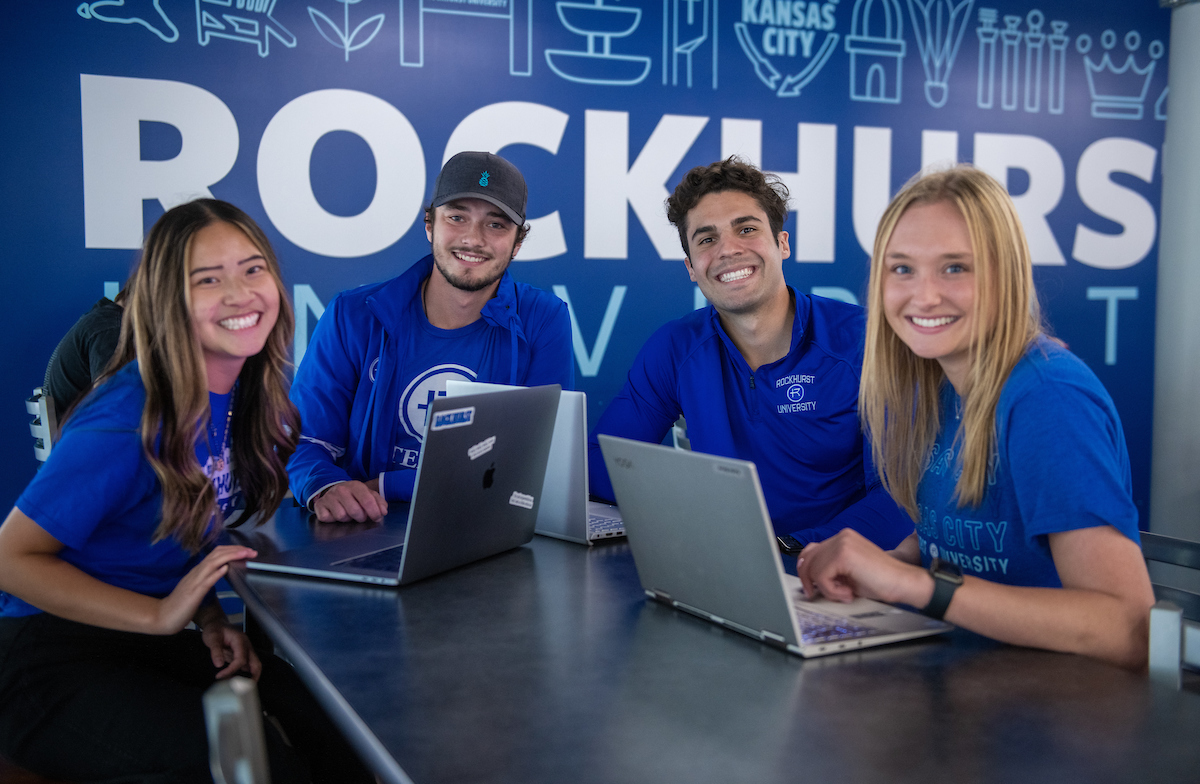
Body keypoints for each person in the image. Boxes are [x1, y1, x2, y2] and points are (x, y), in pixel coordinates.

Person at [0, 200, 373, 782]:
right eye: (207, 279)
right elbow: (10, 558)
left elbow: (181, 531)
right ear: (167, 301)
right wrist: (160, 616)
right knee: (263, 763)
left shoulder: (238, 394)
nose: (239, 293)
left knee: (329, 718)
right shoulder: (130, 414)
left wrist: (209, 620)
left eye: (253, 269)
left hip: (135, 640)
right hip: (46, 658)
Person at [796, 166, 1154, 670]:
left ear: (1003, 275)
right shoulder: (942, 385)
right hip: (969, 683)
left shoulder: (1048, 399)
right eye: (902, 269)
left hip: (1057, 714)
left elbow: (1128, 627)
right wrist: (880, 566)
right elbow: (953, 543)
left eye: (955, 268)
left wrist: (915, 585)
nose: (924, 296)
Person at [588, 157, 913, 548]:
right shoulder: (676, 347)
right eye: (707, 239)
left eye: (746, 229)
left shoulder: (864, 342)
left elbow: (902, 496)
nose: (728, 250)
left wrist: (790, 547)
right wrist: (696, 513)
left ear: (782, 243)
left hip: (843, 578)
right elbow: (600, 463)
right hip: (728, 570)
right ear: (691, 267)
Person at [289, 151, 574, 524]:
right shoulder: (352, 314)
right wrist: (326, 486)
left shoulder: (544, 318)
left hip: (480, 528)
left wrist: (389, 486)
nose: (473, 239)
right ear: (430, 225)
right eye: (457, 217)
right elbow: (305, 441)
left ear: (517, 242)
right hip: (362, 524)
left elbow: (538, 461)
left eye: (497, 225)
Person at [43, 288, 126, 416]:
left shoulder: (105, 318)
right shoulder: (111, 330)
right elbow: (111, 409)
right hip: (80, 432)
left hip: (76, 429)